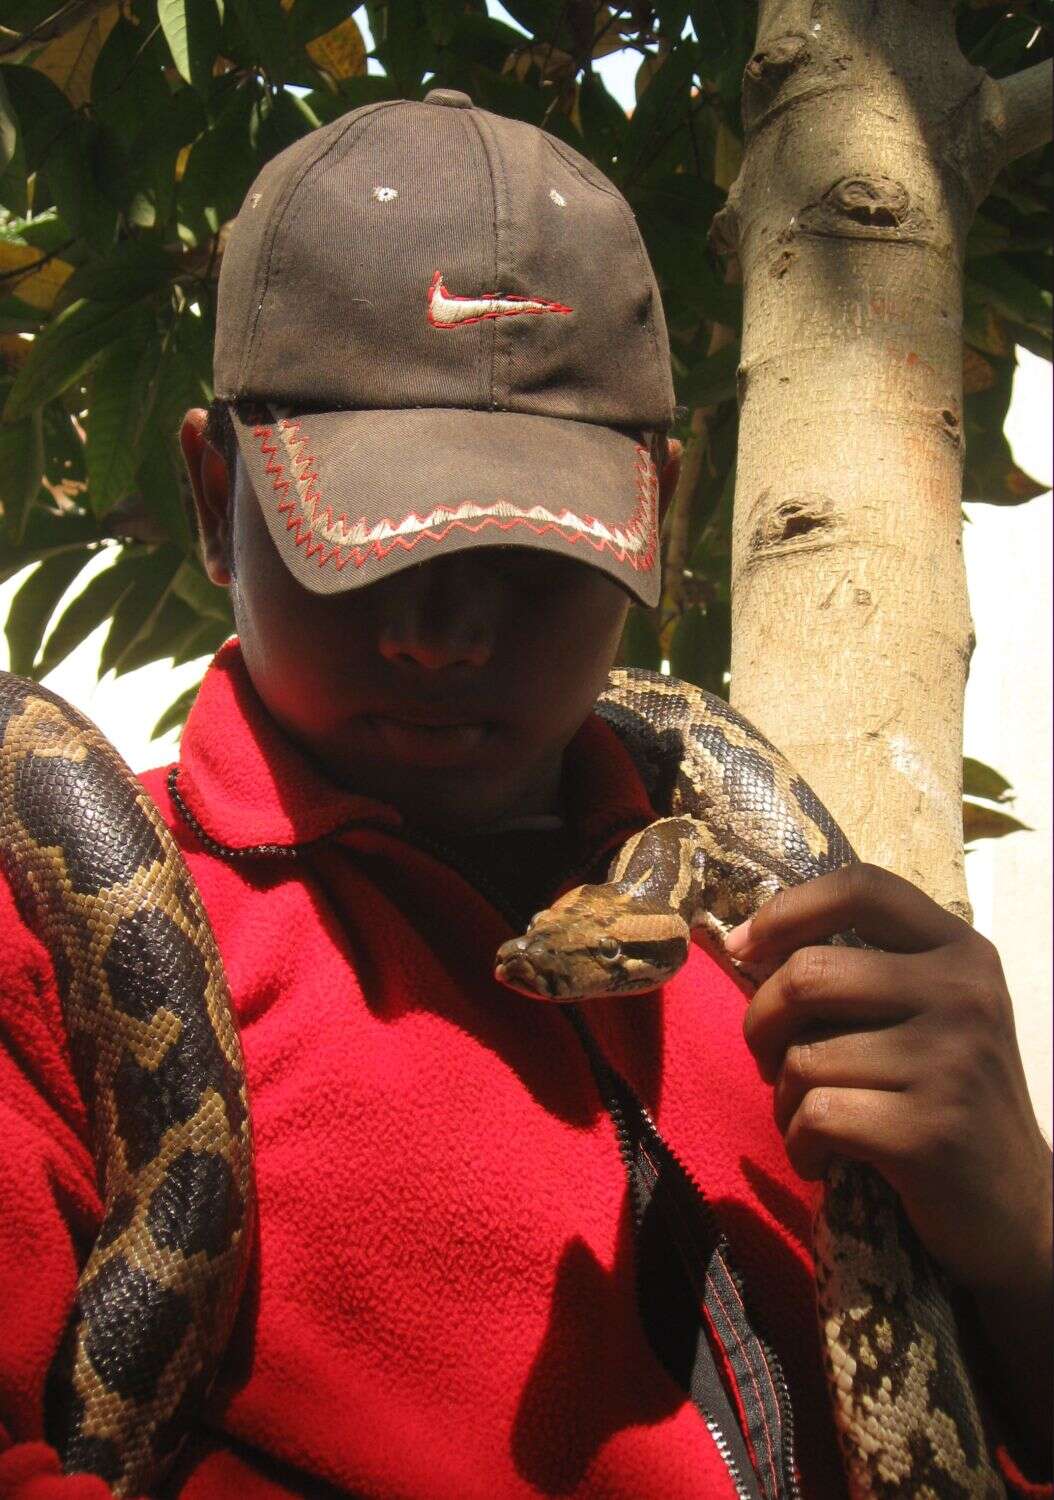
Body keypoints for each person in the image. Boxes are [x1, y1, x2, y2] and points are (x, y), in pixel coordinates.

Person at [0, 89, 1049, 1500]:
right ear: (210, 494)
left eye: (534, 551)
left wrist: (1023, 1247)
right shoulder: (34, 943)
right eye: (362, 544)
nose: (443, 635)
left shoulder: (797, 967)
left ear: (658, 519)